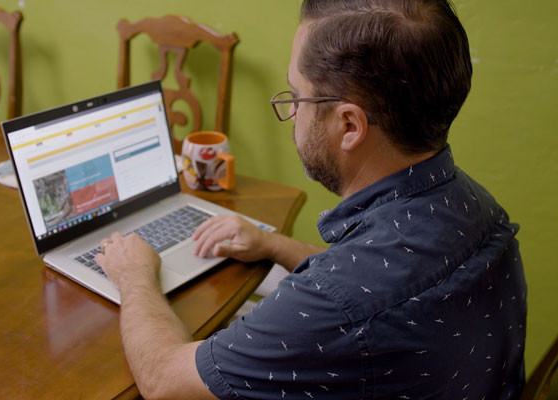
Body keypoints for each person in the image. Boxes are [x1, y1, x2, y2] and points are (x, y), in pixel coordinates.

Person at [96, 0, 527, 398]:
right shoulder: (477, 208)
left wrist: (135, 276)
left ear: (349, 125)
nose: (293, 112)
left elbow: (163, 381)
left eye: (297, 96)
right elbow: (373, 285)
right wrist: (274, 245)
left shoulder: (336, 302)